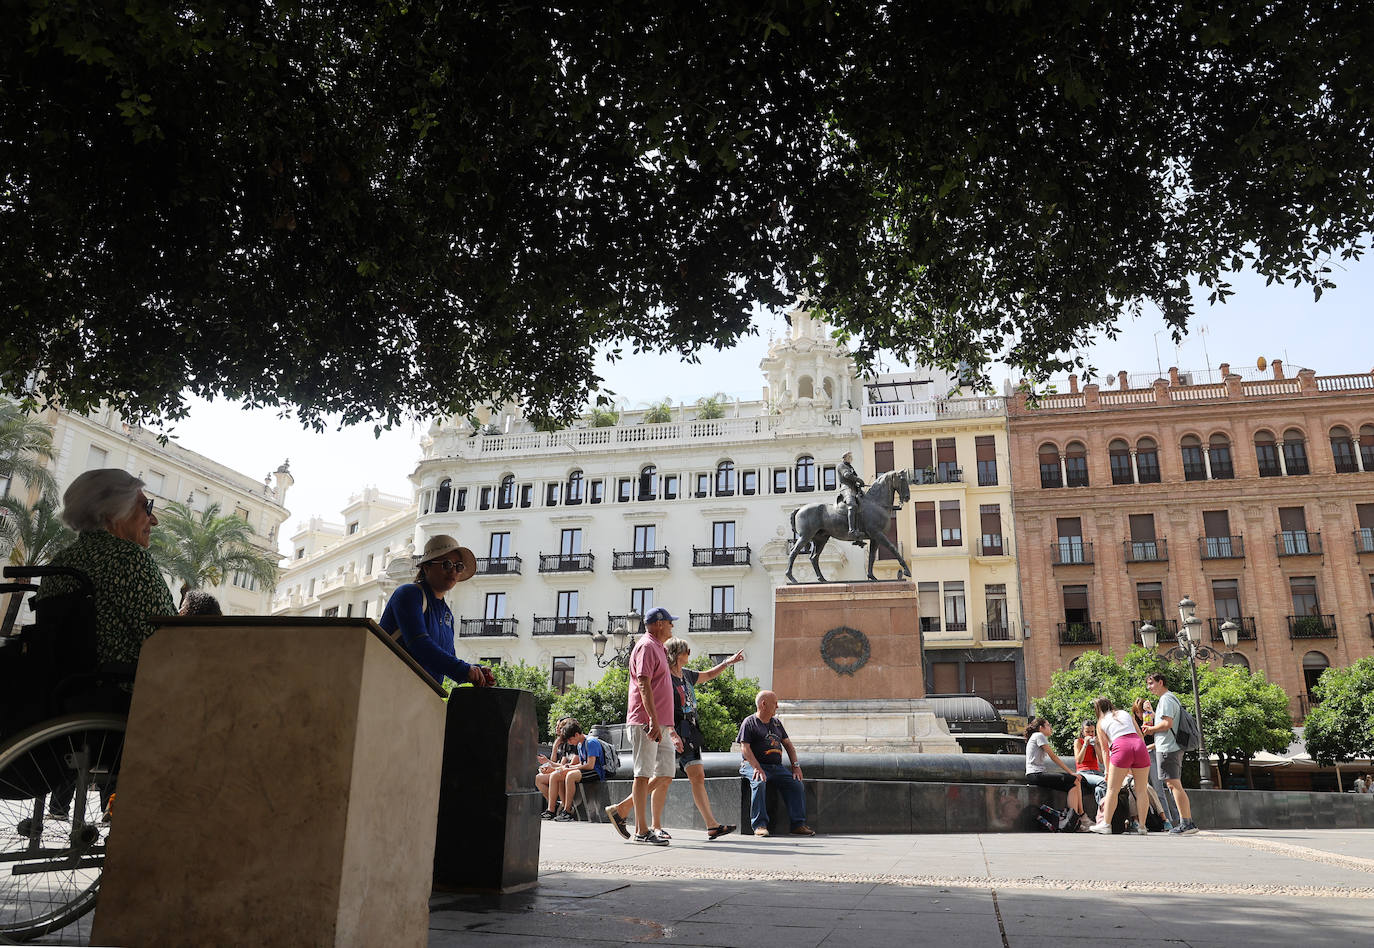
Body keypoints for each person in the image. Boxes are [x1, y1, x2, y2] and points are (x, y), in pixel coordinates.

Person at [36, 469, 176, 669]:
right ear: (113, 513)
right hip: (127, 694)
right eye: (147, 507)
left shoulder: (60, 562)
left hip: (63, 692)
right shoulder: (129, 559)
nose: (154, 520)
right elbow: (171, 641)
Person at [378, 534, 494, 689]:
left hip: (423, 696)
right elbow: (419, 643)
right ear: (427, 567)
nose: (453, 571)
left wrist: (476, 669)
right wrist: (465, 670)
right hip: (391, 689)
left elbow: (447, 658)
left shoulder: (447, 614)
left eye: (458, 566)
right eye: (447, 564)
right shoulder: (409, 594)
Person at [605, 607, 677, 846]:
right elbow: (644, 685)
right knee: (643, 773)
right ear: (658, 624)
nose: (672, 627)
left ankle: (622, 809)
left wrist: (666, 724)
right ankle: (641, 830)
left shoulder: (659, 647)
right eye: (669, 622)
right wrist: (653, 721)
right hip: (646, 722)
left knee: (666, 772)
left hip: (662, 723)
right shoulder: (646, 646)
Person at [664, 637, 742, 840]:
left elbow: (708, 675)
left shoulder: (686, 675)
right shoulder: (665, 677)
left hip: (690, 731)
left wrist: (727, 663)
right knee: (661, 778)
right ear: (676, 654)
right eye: (686, 651)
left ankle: (712, 825)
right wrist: (671, 732)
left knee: (697, 776)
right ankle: (626, 809)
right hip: (671, 731)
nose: (689, 654)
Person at [738, 690, 815, 837]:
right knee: (759, 782)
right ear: (764, 704)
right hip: (752, 765)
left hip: (776, 767)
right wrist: (757, 767)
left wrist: (796, 766)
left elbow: (788, 746)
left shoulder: (777, 723)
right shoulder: (750, 722)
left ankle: (798, 825)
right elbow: (745, 748)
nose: (778, 706)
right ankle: (759, 825)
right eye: (775, 703)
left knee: (796, 784)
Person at [1143, 672, 1199, 835]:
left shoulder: (1166, 699)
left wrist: (1150, 729)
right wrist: (1151, 713)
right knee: (1174, 784)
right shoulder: (1169, 699)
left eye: (1151, 683)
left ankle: (1187, 823)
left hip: (1168, 748)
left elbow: (1167, 724)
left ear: (1161, 682)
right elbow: (1166, 721)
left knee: (1174, 785)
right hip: (1170, 747)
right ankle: (1187, 822)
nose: (1149, 687)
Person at [1089, 697, 1152, 835]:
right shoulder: (1125, 713)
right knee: (1141, 790)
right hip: (1139, 746)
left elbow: (1105, 750)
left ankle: (1106, 824)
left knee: (1112, 789)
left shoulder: (1100, 722)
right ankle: (1142, 826)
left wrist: (1107, 771)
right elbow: (1140, 735)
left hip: (1121, 746)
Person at [540, 723, 606, 822]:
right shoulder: (579, 744)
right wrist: (565, 767)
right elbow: (580, 763)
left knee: (570, 775)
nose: (570, 743)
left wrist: (569, 769)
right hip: (585, 769)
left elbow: (590, 765)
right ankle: (551, 810)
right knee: (556, 775)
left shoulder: (591, 742)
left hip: (596, 771)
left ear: (576, 734)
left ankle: (568, 811)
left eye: (570, 740)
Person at [1133, 696, 1179, 831]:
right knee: (1143, 789)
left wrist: (1151, 713)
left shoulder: (1152, 718)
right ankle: (1156, 821)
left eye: (1141, 711)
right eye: (1137, 712)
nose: (1140, 715)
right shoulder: (1135, 722)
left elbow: (1161, 739)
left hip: (1153, 754)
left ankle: (1170, 821)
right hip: (1140, 757)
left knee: (1159, 790)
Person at [1023, 718, 1084, 819]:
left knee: (1072, 786)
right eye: (1048, 725)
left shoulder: (1035, 736)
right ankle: (1081, 815)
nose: (1050, 727)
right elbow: (1053, 756)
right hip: (1036, 775)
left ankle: (1074, 818)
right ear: (1041, 728)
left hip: (1035, 775)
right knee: (1074, 779)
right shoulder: (1039, 735)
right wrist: (1071, 773)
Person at [1073, 719, 1108, 830]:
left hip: (1096, 772)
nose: (1090, 734)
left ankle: (1103, 818)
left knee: (1101, 788)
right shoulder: (1078, 742)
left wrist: (1096, 745)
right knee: (1103, 782)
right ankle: (1104, 816)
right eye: (1088, 732)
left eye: (1092, 732)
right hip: (1084, 772)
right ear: (1083, 732)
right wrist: (1085, 745)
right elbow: (1079, 760)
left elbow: (1101, 761)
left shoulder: (1096, 742)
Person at [837, 450, 867, 545]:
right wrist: (858, 479)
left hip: (854, 489)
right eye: (850, 457)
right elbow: (847, 475)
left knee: (863, 506)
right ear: (845, 457)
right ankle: (851, 530)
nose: (852, 459)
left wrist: (859, 483)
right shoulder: (841, 466)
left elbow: (853, 478)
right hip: (846, 488)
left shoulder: (850, 467)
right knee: (852, 506)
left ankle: (859, 533)